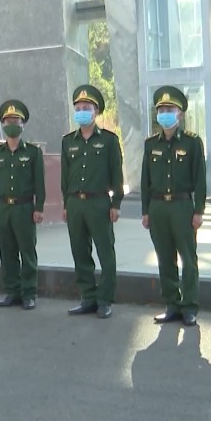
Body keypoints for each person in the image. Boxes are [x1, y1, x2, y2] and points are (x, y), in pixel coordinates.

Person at [141, 85, 207, 326]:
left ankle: (189, 306)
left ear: (180, 113)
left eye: (169, 109)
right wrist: (145, 211)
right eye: (161, 109)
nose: (164, 113)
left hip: (182, 206)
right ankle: (172, 304)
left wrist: (198, 210)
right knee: (164, 258)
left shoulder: (191, 143)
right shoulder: (151, 144)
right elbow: (145, 180)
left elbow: (200, 179)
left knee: (188, 259)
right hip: (158, 207)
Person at [61, 84, 123, 319]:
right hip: (76, 203)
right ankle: (87, 297)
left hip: (99, 203)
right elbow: (65, 177)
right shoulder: (68, 141)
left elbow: (117, 175)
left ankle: (105, 299)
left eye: (86, 107)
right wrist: (67, 204)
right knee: (79, 252)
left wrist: (116, 203)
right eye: (78, 108)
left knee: (105, 253)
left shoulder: (108, 140)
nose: (81, 111)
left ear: (96, 111)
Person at [0, 99, 45, 310]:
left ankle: (29, 292)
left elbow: (39, 183)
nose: (12, 123)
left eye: (16, 120)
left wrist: (39, 207)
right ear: (3, 124)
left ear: (23, 124)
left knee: (27, 251)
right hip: (4, 208)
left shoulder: (32, 152)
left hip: (24, 208)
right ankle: (12, 291)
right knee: (7, 251)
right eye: (8, 120)